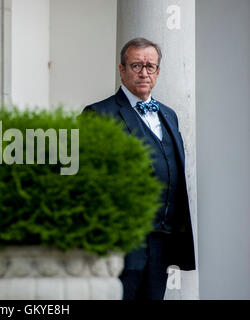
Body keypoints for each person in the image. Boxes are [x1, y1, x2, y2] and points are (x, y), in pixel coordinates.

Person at [82, 37, 196, 300]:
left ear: (157, 71)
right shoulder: (99, 114)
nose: (144, 72)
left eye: (150, 66)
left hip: (162, 240)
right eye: (136, 66)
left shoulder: (169, 115)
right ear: (122, 70)